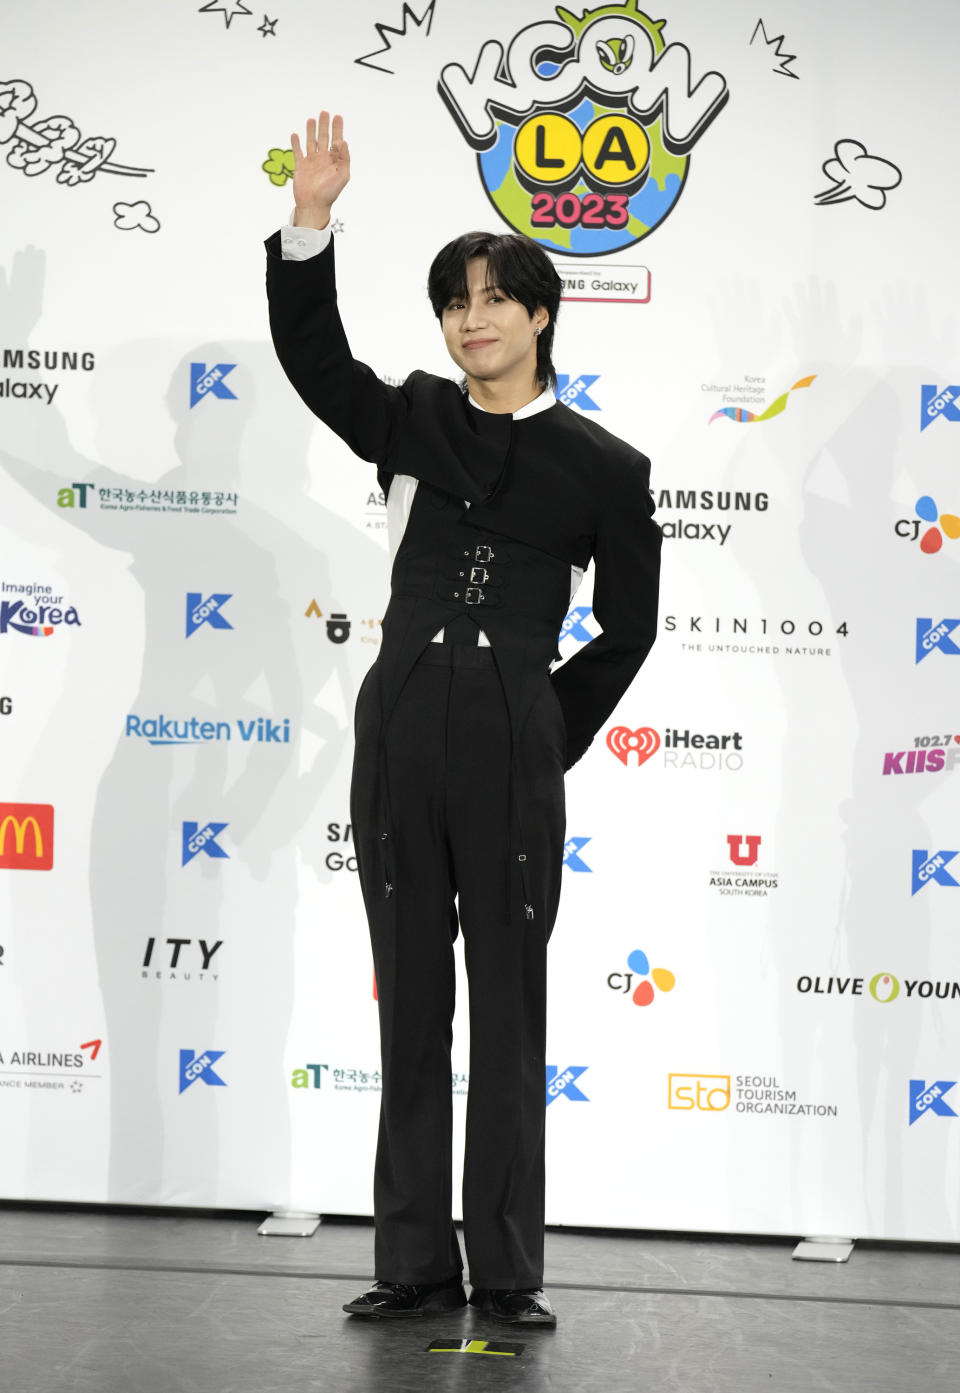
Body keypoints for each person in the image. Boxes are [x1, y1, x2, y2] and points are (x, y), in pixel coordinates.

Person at [265, 113, 661, 1326]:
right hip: (398, 732)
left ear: (540, 316)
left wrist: (542, 720)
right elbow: (317, 361)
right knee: (414, 1002)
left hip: (511, 745)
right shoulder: (419, 417)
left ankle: (506, 1272)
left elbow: (630, 628)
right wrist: (311, 222)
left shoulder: (607, 465)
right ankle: (413, 1262)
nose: (471, 319)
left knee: (507, 1004)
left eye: (494, 300)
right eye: (455, 303)